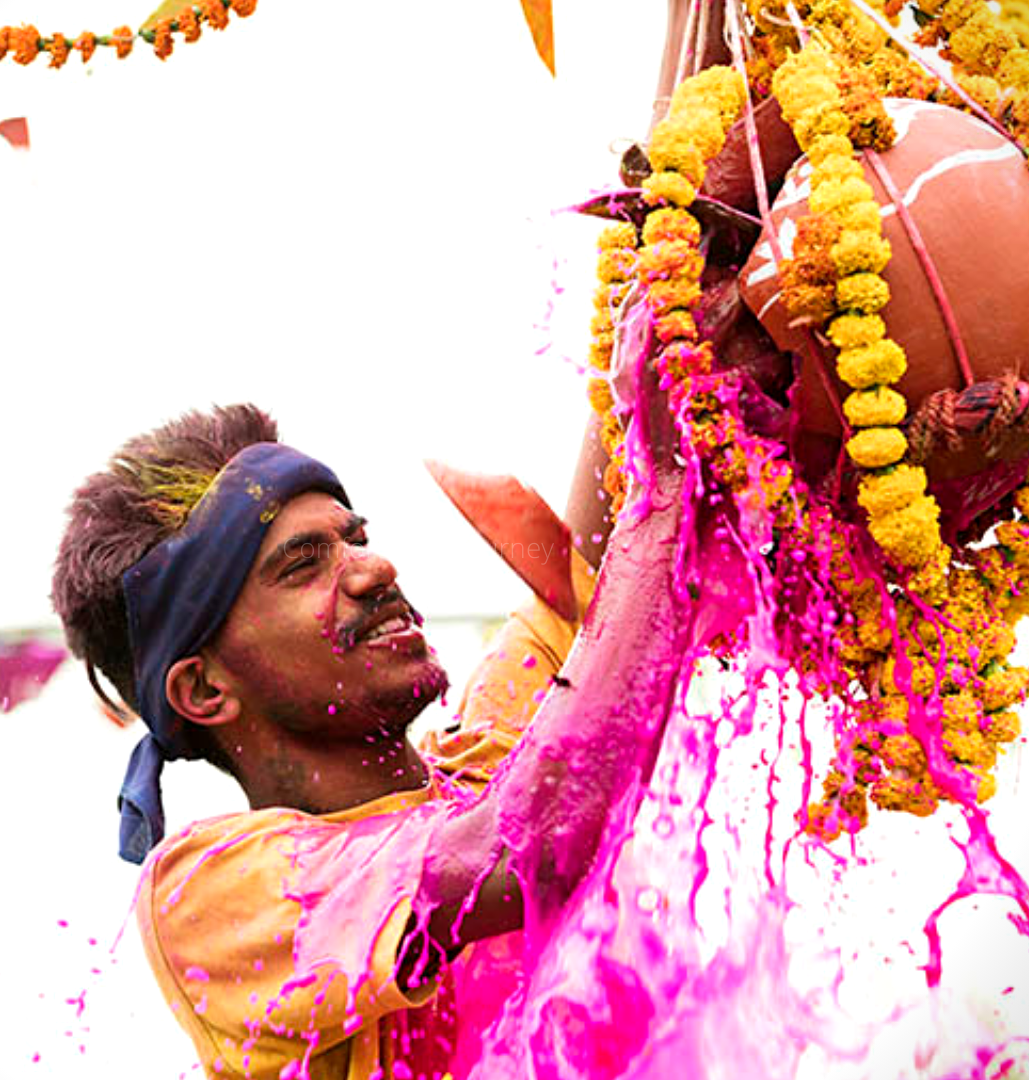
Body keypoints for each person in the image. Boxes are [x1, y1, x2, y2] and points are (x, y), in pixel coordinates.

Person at [50, 394, 690, 1080]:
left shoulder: (480, 772)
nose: (374, 567)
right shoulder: (209, 894)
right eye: (302, 566)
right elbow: (542, 841)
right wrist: (670, 495)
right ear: (205, 690)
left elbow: (593, 580)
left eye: (354, 537)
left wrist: (654, 315)